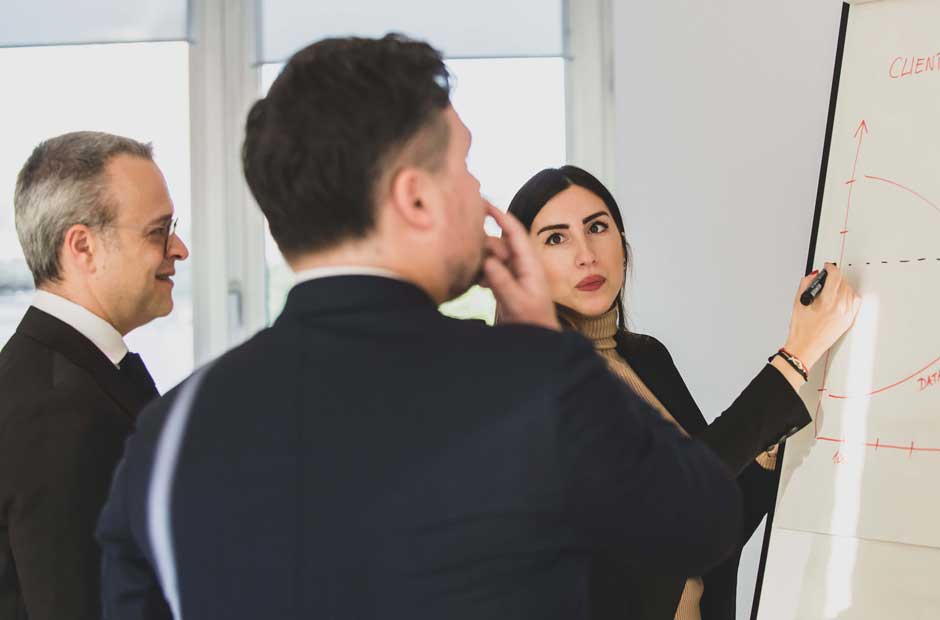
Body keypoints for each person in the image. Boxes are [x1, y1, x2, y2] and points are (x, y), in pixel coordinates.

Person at [97, 35, 745, 620]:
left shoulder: (165, 436)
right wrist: (546, 345)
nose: (478, 190)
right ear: (414, 198)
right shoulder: (535, 385)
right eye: (464, 166)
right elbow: (706, 520)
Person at [506, 165, 860, 620]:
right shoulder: (535, 385)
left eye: (597, 227)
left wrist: (767, 447)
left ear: (623, 243)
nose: (586, 255)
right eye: (556, 238)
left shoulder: (647, 358)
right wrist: (794, 358)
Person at [0, 131, 189, 620]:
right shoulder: (58, 409)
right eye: (158, 231)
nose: (180, 248)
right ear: (82, 247)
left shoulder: (62, 375)